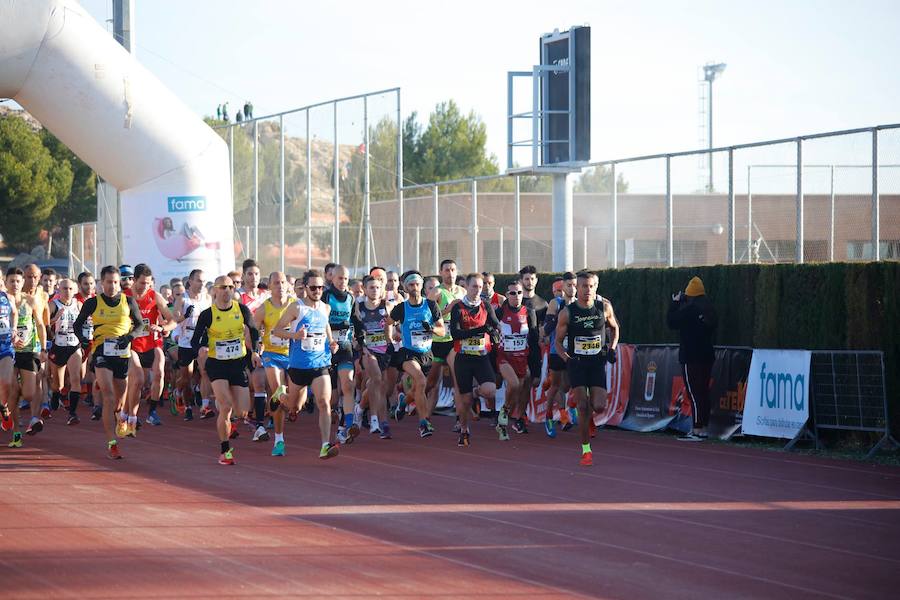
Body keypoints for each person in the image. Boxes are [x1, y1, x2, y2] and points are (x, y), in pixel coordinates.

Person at [73, 265, 143, 459]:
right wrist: (85, 340)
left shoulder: (128, 301)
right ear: (101, 283)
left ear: (119, 282)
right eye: (108, 282)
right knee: (108, 395)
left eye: (115, 282)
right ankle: (112, 443)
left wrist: (128, 338)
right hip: (101, 351)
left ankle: (120, 416)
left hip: (122, 353)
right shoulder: (93, 303)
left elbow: (139, 325)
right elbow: (77, 324)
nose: (112, 286)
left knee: (119, 401)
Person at [268, 269, 340, 459]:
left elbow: (326, 327)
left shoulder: (325, 307)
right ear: (306, 288)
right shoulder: (296, 308)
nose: (317, 290)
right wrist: (295, 336)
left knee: (324, 403)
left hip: (321, 363)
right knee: (294, 407)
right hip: (299, 366)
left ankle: (325, 444)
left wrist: (332, 342)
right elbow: (276, 331)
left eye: (320, 287)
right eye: (313, 287)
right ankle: (281, 395)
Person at [191, 275, 260, 465]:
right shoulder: (208, 314)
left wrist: (255, 351)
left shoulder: (242, 310)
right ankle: (224, 450)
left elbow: (253, 331)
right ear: (215, 290)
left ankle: (230, 419)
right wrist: (202, 348)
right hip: (217, 364)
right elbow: (195, 339)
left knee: (243, 412)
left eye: (231, 287)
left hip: (237, 364)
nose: (227, 291)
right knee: (226, 405)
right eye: (223, 287)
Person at [555, 271, 620, 467]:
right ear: (577, 288)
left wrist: (612, 348)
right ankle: (586, 450)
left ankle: (580, 402)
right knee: (584, 407)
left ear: (596, 287)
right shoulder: (568, 312)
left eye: (591, 286)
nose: (587, 290)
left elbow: (614, 328)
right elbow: (558, 342)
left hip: (597, 363)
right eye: (584, 286)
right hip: (578, 364)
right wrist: (567, 359)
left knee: (599, 406)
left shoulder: (604, 307)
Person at [386, 271, 444, 437]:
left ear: (422, 286)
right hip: (408, 353)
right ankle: (423, 423)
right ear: (406, 287)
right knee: (420, 380)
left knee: (420, 387)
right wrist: (390, 340)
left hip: (426, 353)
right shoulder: (401, 308)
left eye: (417, 284)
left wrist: (431, 328)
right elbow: (388, 323)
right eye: (411, 285)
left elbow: (442, 331)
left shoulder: (431, 306)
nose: (415, 287)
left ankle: (403, 401)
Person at [449, 273, 501, 447]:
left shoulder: (486, 306)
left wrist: (495, 332)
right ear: (467, 287)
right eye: (474, 286)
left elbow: (495, 325)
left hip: (481, 357)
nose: (478, 290)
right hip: (463, 358)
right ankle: (464, 430)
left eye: (480, 287)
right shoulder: (458, 307)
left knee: (490, 390)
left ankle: (476, 392)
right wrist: (478, 331)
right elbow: (455, 334)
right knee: (464, 401)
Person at [125, 264, 176, 430]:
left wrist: (163, 328)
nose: (144, 287)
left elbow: (172, 320)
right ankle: (130, 415)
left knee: (159, 373)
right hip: (132, 345)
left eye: (148, 283)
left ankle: (152, 412)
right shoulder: (124, 297)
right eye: (141, 283)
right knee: (137, 381)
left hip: (152, 344)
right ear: (133, 280)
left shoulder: (154, 296)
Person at [667, 276, 718, 442]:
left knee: (694, 392)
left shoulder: (689, 310)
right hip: (707, 355)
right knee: (703, 391)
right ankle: (703, 427)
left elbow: (671, 321)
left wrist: (675, 303)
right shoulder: (709, 309)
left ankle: (696, 428)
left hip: (691, 357)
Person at [5, 268, 46, 446]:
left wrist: (44, 348)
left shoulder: (30, 301)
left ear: (23, 283)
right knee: (13, 391)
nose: (15, 284)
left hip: (28, 351)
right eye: (11, 281)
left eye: (18, 281)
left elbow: (39, 324)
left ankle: (10, 405)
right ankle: (16, 433)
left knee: (29, 393)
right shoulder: (2, 301)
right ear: (6, 282)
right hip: (8, 352)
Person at [424, 259, 465, 434]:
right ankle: (409, 400)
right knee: (431, 384)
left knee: (458, 380)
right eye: (447, 270)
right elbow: (425, 316)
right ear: (441, 272)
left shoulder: (463, 291)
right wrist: (448, 309)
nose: (450, 273)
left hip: (453, 342)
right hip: (436, 342)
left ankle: (459, 420)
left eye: (453, 269)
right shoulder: (436, 292)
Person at [351, 275, 394, 439]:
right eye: (371, 288)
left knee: (382, 387)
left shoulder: (387, 306)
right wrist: (361, 346)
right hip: (368, 350)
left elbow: (392, 327)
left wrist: (393, 336)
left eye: (377, 287)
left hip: (385, 349)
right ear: (365, 289)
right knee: (376, 379)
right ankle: (377, 420)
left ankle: (361, 407)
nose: (375, 290)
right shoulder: (359, 306)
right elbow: (356, 328)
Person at [495, 279, 538, 440]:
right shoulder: (499, 312)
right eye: (513, 293)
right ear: (507, 295)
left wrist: (537, 369)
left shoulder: (529, 312)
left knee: (518, 388)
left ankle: (503, 422)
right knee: (513, 384)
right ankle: (505, 412)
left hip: (522, 358)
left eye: (519, 292)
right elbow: (489, 331)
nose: (517, 296)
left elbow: (534, 341)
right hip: (504, 357)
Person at [322, 265, 358, 444]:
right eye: (339, 278)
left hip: (344, 348)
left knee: (348, 386)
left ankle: (349, 425)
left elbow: (355, 320)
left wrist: (361, 336)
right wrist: (336, 327)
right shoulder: (326, 296)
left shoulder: (351, 298)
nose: (343, 282)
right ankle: (335, 420)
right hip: (326, 349)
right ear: (332, 279)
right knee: (332, 398)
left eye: (346, 279)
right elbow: (320, 321)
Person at [253, 271, 292, 433]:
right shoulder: (263, 308)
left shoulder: (296, 305)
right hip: (271, 354)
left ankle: (280, 405)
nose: (280, 286)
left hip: (293, 354)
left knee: (293, 402)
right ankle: (278, 436)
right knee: (278, 389)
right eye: (276, 283)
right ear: (269, 286)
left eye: (283, 282)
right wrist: (255, 352)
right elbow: (253, 332)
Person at [173, 269, 212, 421]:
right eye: (198, 280)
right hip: (186, 342)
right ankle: (180, 393)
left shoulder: (207, 298)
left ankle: (204, 406)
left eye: (203, 281)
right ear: (190, 282)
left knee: (204, 372)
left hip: (202, 341)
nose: (202, 284)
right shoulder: (182, 299)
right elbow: (175, 319)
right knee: (186, 377)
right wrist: (185, 315)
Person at [542, 272, 577, 438]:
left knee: (569, 385)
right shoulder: (555, 303)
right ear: (563, 287)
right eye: (569, 285)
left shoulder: (581, 304)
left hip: (575, 350)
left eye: (575, 285)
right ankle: (548, 416)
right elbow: (547, 328)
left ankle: (571, 405)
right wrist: (561, 316)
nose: (573, 288)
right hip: (557, 350)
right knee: (556, 385)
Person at [47, 278, 83, 425]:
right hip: (58, 346)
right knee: (58, 384)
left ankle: (72, 413)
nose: (67, 291)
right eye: (64, 289)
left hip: (74, 345)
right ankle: (55, 394)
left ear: (74, 290)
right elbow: (42, 324)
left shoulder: (79, 305)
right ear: (58, 290)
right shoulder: (52, 305)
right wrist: (55, 319)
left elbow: (87, 322)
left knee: (75, 378)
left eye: (70, 289)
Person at [0, 284, 18, 435]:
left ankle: (3, 407)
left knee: (6, 382)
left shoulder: (7, 297)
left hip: (4, 347)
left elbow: (14, 313)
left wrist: (14, 329)